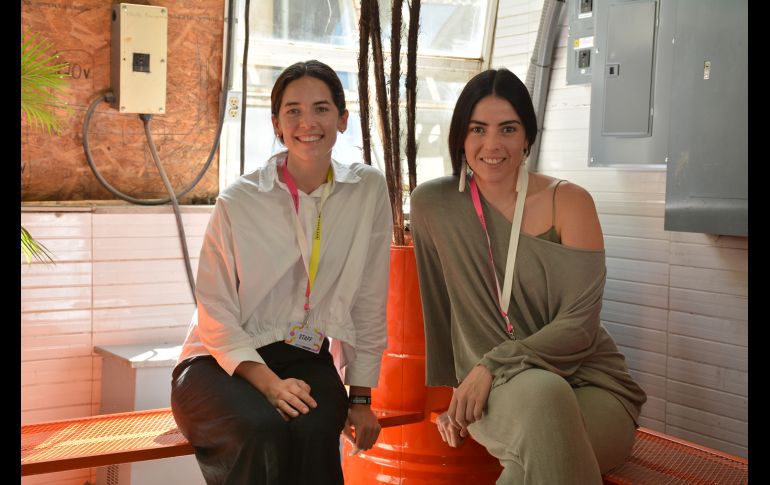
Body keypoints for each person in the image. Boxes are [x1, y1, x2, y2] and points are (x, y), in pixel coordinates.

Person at [409, 68, 647, 484]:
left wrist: (492, 364)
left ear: (527, 138)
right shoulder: (434, 205)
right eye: (477, 129)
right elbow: (442, 309)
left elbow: (579, 327)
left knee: (531, 463)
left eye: (508, 129)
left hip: (593, 387)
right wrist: (458, 393)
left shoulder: (569, 203)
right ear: (460, 137)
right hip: (497, 395)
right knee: (542, 396)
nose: (492, 145)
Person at [171, 60, 393, 485]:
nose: (307, 121)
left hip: (305, 354)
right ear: (276, 124)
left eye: (322, 108)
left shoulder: (366, 191)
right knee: (260, 429)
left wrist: (361, 396)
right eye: (292, 110)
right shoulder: (239, 200)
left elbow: (368, 298)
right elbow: (213, 309)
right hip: (219, 361)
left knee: (313, 428)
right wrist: (269, 382)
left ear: (343, 119)